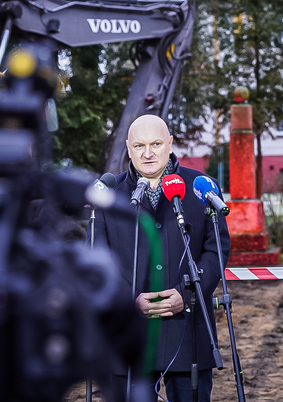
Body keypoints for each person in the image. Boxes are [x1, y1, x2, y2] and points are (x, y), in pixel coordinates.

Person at [87, 114, 230, 402]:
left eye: (156, 143)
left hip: (188, 332)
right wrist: (128, 300)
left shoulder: (202, 188)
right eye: (139, 145)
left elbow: (216, 252)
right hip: (128, 336)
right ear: (128, 147)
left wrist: (187, 294)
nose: (148, 153)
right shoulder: (106, 194)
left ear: (170, 144)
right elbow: (96, 260)